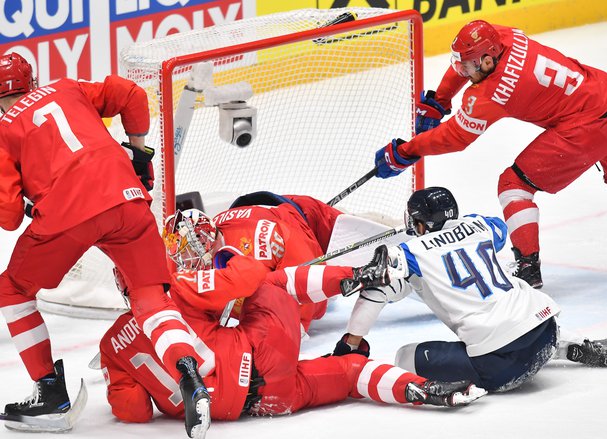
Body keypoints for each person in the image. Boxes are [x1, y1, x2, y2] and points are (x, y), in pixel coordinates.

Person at [100, 208, 485, 425]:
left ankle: (425, 391)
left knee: (348, 372)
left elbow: (132, 411)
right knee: (270, 284)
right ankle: (358, 278)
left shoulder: (111, 343)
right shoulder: (178, 285)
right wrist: (226, 259)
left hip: (256, 404)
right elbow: (250, 276)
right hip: (261, 357)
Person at [0, 53, 209, 438]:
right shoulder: (66, 87)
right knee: (151, 299)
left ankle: (50, 393)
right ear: (32, 82)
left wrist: (30, 197)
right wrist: (140, 153)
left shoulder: (3, 129)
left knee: (12, 289)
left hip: (68, 215)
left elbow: (8, 216)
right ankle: (190, 372)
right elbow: (130, 94)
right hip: (127, 198)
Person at [373, 20, 607, 288]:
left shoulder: (491, 93)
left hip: (588, 128)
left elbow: (456, 137)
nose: (463, 71)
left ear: (487, 61)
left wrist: (406, 151)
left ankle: (528, 268)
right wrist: (441, 99)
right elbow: (467, 59)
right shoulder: (503, 36)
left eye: (469, 66)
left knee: (514, 186)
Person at [335, 187, 607, 393]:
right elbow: (497, 228)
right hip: (546, 328)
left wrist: (351, 343)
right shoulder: (482, 226)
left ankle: (447, 388)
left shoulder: (410, 252)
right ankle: (575, 345)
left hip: (499, 362)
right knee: (513, 302)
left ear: (421, 225)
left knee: (404, 357)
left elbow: (377, 284)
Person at [210, 191, 344, 332]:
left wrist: (295, 329)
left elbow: (306, 277)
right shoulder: (215, 241)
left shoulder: (266, 239)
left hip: (311, 217)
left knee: (352, 262)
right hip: (284, 213)